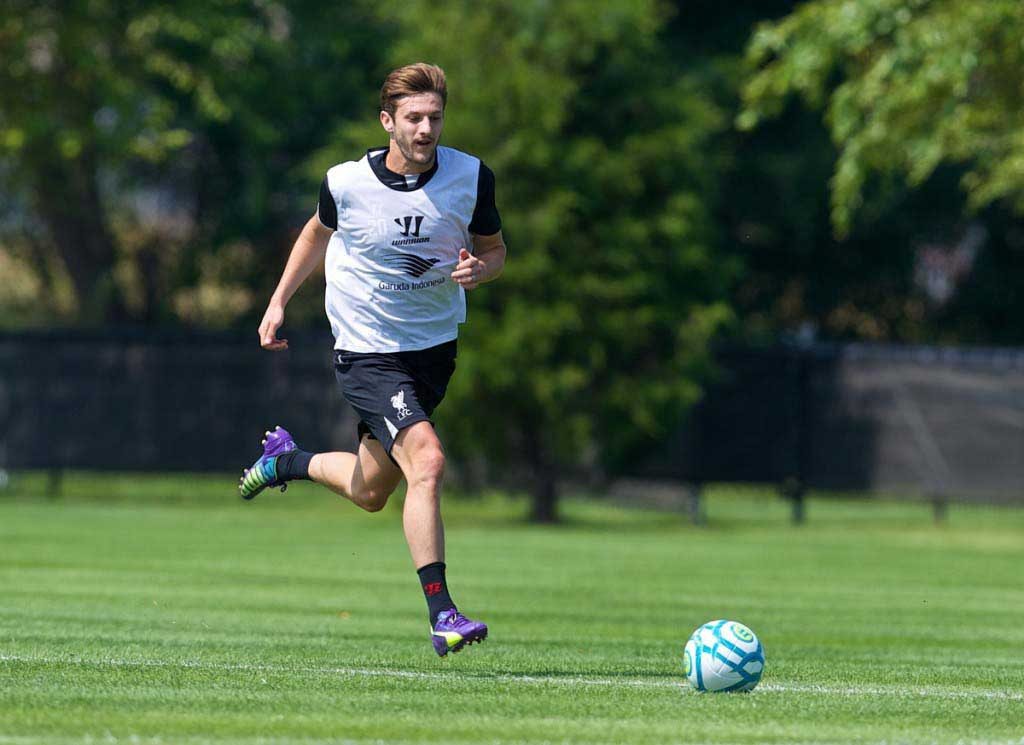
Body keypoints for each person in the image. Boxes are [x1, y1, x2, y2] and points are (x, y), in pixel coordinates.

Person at [238, 63, 506, 657]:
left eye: (435, 117)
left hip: (433, 351)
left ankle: (287, 462)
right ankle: (443, 613)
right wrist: (278, 302)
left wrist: (478, 271)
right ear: (388, 121)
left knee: (372, 490)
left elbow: (495, 252)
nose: (426, 128)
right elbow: (316, 232)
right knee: (428, 461)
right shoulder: (346, 183)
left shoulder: (471, 177)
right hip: (366, 349)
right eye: (413, 117)